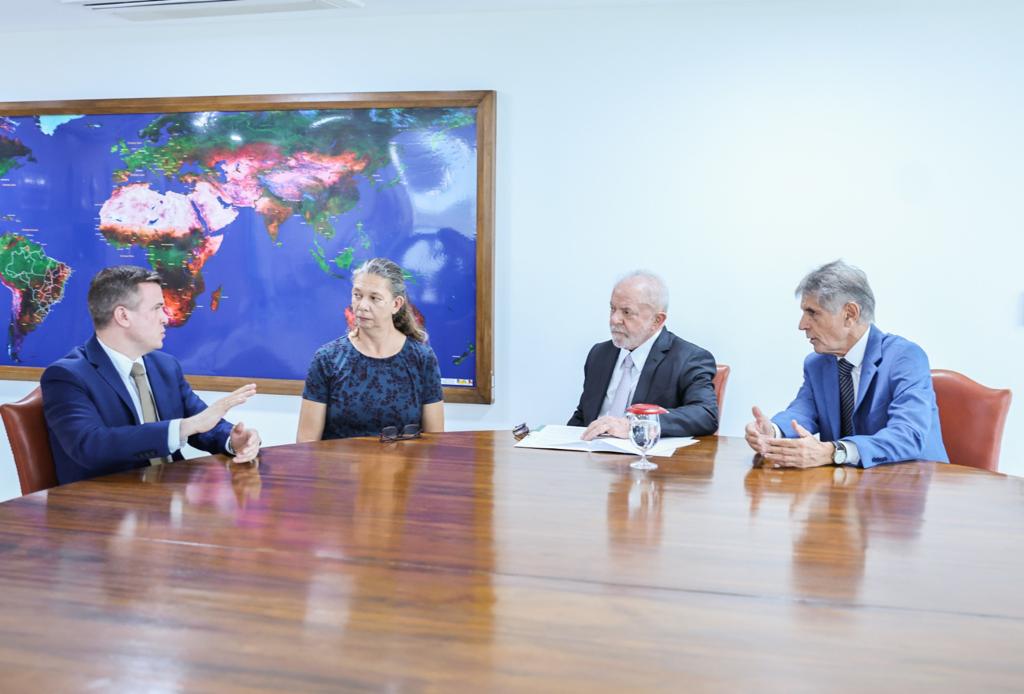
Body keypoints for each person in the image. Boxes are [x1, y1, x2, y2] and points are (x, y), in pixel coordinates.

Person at [42, 265, 261, 485]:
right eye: (157, 308)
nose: (165, 318)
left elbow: (202, 422)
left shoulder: (165, 366)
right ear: (123, 316)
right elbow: (90, 446)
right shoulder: (66, 376)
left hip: (170, 493)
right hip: (111, 499)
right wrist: (186, 426)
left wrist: (232, 439)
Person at [745, 259, 947, 469]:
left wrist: (836, 451)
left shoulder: (905, 358)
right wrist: (772, 431)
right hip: (850, 482)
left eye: (812, 313)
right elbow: (802, 412)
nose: (802, 325)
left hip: (912, 480)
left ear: (850, 314)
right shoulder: (817, 364)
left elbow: (908, 435)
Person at [296, 257, 444, 441]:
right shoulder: (327, 359)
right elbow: (306, 444)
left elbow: (434, 443)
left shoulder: (422, 358)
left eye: (374, 298)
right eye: (357, 295)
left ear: (396, 304)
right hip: (340, 460)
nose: (362, 306)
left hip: (403, 461)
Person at [568, 270, 719, 440]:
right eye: (612, 309)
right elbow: (584, 415)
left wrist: (637, 425)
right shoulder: (599, 354)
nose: (614, 319)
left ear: (657, 320)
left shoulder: (689, 358)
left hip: (646, 454)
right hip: (592, 452)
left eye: (626, 312)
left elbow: (705, 414)